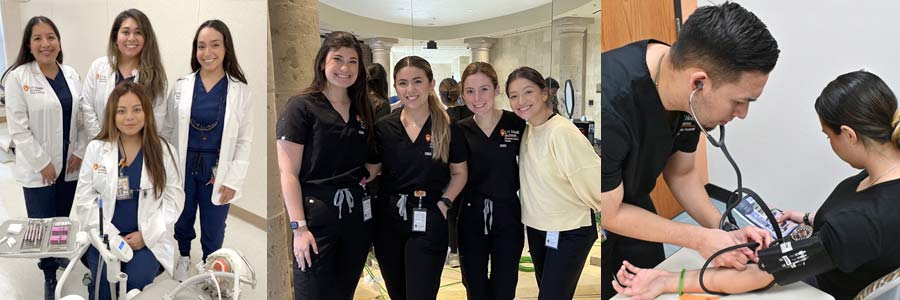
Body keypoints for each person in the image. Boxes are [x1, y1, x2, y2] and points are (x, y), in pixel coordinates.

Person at [612, 70, 900, 300]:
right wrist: (808, 218)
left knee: (732, 277)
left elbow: (763, 274)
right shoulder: (882, 177)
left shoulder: (860, 223)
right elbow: (861, 226)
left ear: (848, 135)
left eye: (829, 136)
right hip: (826, 259)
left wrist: (669, 281)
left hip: (817, 288)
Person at [600, 2, 780, 298]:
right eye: (739, 101)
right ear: (699, 82)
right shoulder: (612, 105)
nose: (743, 113)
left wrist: (722, 230)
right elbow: (610, 211)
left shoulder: (686, 93)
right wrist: (698, 239)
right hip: (603, 213)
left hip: (635, 205)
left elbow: (682, 173)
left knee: (650, 284)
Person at [275, 31, 377, 300]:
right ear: (323, 62)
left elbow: (369, 159)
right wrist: (299, 228)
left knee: (343, 293)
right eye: (338, 59)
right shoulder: (302, 106)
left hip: (355, 220)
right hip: (315, 219)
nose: (345, 68)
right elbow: (288, 172)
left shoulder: (361, 108)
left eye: (353, 61)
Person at [368, 56, 468, 300]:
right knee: (398, 293)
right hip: (388, 220)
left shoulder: (447, 126)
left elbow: (459, 173)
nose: (410, 90)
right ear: (395, 87)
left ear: (431, 84)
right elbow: (372, 170)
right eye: (402, 83)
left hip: (429, 218)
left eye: (417, 81)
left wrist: (444, 203)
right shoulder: (384, 127)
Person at [1, 16, 87, 300]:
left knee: (61, 219)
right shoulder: (18, 77)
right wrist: (43, 163)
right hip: (40, 169)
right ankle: (49, 272)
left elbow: (82, 119)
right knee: (41, 223)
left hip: (70, 165)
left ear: (59, 41)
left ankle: (59, 255)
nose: (45, 43)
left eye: (51, 37)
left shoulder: (71, 74)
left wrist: (78, 151)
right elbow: (19, 129)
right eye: (38, 38)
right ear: (29, 44)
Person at [160, 20, 253, 281]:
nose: (207, 52)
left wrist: (234, 179)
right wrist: (166, 168)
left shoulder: (240, 91)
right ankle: (185, 255)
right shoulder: (181, 86)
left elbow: (245, 140)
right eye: (201, 46)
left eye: (214, 45)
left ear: (226, 49)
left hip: (218, 166)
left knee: (214, 222)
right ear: (195, 50)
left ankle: (210, 265)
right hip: (184, 162)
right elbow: (167, 130)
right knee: (183, 213)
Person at [72, 81, 183, 300]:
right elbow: (84, 200)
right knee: (105, 286)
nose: (129, 117)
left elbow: (174, 199)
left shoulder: (164, 151)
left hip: (146, 239)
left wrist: (146, 235)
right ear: (112, 115)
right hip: (104, 236)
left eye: (136, 109)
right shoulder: (97, 149)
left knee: (134, 286)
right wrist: (111, 237)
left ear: (147, 112)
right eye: (121, 111)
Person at [507, 66, 600, 299]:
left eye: (528, 92)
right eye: (514, 96)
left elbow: (595, 182)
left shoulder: (562, 132)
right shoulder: (528, 130)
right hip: (539, 228)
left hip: (570, 229)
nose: (521, 101)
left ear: (545, 93)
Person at [455, 62, 526, 300]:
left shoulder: (516, 123)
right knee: (475, 285)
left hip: (508, 214)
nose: (477, 98)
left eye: (484, 89)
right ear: (462, 93)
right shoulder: (459, 130)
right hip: (471, 215)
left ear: (497, 89)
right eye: (470, 91)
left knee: (505, 286)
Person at [82, 8, 167, 138]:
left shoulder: (155, 76)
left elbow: (157, 119)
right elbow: (87, 107)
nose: (131, 38)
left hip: (138, 149)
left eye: (138, 32)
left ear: (146, 39)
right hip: (101, 144)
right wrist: (101, 141)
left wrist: (133, 147)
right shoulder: (98, 67)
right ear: (115, 38)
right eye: (126, 32)